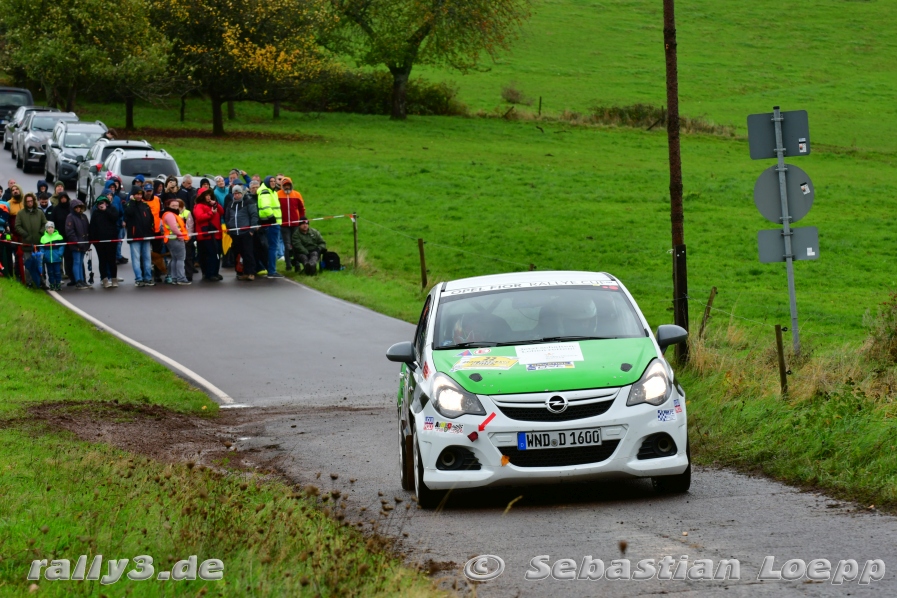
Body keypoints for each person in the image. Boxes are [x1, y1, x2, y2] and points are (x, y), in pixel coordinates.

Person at [124, 184, 156, 286]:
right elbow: (129, 213)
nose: (139, 196)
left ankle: (148, 278)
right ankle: (138, 278)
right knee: (136, 258)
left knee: (147, 258)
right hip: (135, 236)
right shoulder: (129, 204)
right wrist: (132, 201)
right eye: (136, 194)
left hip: (146, 235)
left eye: (140, 194)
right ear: (133, 195)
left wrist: (151, 229)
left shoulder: (145, 205)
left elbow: (151, 218)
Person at [224, 185, 257, 281]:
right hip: (234, 234)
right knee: (237, 254)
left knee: (248, 253)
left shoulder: (248, 202)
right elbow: (227, 217)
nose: (236, 195)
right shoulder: (230, 204)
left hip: (246, 233)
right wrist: (229, 229)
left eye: (238, 193)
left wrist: (251, 230)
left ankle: (251, 272)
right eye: (235, 193)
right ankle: (241, 272)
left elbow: (254, 216)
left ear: (241, 193)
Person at [14, 192, 47, 287]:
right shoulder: (21, 213)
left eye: (31, 201)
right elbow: (17, 226)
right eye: (28, 201)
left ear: (34, 201)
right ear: (25, 202)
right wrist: (25, 234)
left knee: (40, 264)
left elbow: (45, 223)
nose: (30, 203)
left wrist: (40, 233)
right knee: (28, 263)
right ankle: (29, 282)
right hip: (27, 243)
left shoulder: (39, 212)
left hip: (38, 242)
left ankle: (42, 282)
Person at [89, 193, 120, 288]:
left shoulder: (112, 209)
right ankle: (104, 279)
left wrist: (106, 210)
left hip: (111, 240)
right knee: (102, 260)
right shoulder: (95, 213)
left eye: (102, 203)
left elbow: (115, 218)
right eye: (99, 203)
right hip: (100, 242)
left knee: (112, 260)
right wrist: (93, 241)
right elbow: (92, 227)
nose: (101, 205)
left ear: (106, 203)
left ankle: (114, 278)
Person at [256, 176, 283, 278]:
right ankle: (272, 270)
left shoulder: (272, 191)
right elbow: (266, 207)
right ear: (267, 182)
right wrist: (272, 218)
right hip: (272, 223)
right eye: (270, 181)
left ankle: (270, 269)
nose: (273, 182)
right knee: (273, 247)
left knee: (270, 247)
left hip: (272, 223)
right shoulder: (266, 192)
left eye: (274, 181)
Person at [193, 188, 222, 281]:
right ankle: (209, 274)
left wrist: (215, 204)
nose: (208, 197)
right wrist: (211, 213)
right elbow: (199, 217)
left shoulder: (212, 204)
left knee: (216, 254)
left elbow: (222, 212)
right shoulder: (199, 206)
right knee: (209, 255)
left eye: (209, 195)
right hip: (206, 235)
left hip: (215, 233)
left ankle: (215, 272)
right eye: (206, 195)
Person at [277, 177, 306, 271]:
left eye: (288, 185)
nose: (287, 187)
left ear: (291, 185)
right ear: (282, 186)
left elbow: (302, 209)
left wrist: (302, 220)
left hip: (295, 224)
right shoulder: (277, 195)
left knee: (295, 244)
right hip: (284, 224)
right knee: (287, 244)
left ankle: (297, 264)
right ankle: (288, 264)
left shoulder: (297, 195)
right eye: (285, 185)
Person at [161, 197, 190, 285]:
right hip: (175, 238)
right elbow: (174, 228)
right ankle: (181, 278)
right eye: (173, 205)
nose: (175, 207)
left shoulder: (168, 214)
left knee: (175, 259)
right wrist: (181, 235)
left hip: (171, 239)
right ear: (168, 206)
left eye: (177, 205)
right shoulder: (170, 215)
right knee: (180, 259)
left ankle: (174, 278)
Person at [141, 182, 167, 282]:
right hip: (144, 231)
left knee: (157, 254)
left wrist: (162, 227)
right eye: (147, 191)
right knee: (144, 254)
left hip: (156, 231)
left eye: (150, 191)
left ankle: (157, 274)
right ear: (144, 191)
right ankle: (144, 273)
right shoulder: (140, 200)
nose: (148, 193)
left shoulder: (157, 200)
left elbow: (162, 214)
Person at [64, 199, 90, 289]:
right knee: (77, 262)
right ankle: (78, 281)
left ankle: (82, 280)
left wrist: (87, 243)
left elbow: (87, 230)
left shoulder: (84, 216)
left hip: (83, 243)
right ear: (73, 208)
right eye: (76, 207)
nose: (78, 208)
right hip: (76, 244)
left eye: (80, 207)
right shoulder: (70, 217)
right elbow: (70, 232)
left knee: (80, 262)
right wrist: (77, 243)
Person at [41, 222, 64, 291]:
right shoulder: (43, 238)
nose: (50, 229)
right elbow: (42, 248)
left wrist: (59, 253)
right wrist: (44, 254)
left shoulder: (59, 237)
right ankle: (52, 284)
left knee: (57, 272)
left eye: (52, 227)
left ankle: (58, 284)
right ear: (46, 229)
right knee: (50, 272)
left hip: (56, 258)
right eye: (48, 228)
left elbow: (62, 246)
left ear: (54, 228)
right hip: (48, 259)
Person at [178, 198, 196, 282]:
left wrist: (188, 238)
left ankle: (189, 275)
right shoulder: (172, 213)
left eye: (178, 206)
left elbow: (190, 226)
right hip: (177, 239)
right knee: (178, 258)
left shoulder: (187, 213)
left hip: (186, 239)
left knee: (188, 257)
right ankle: (179, 275)